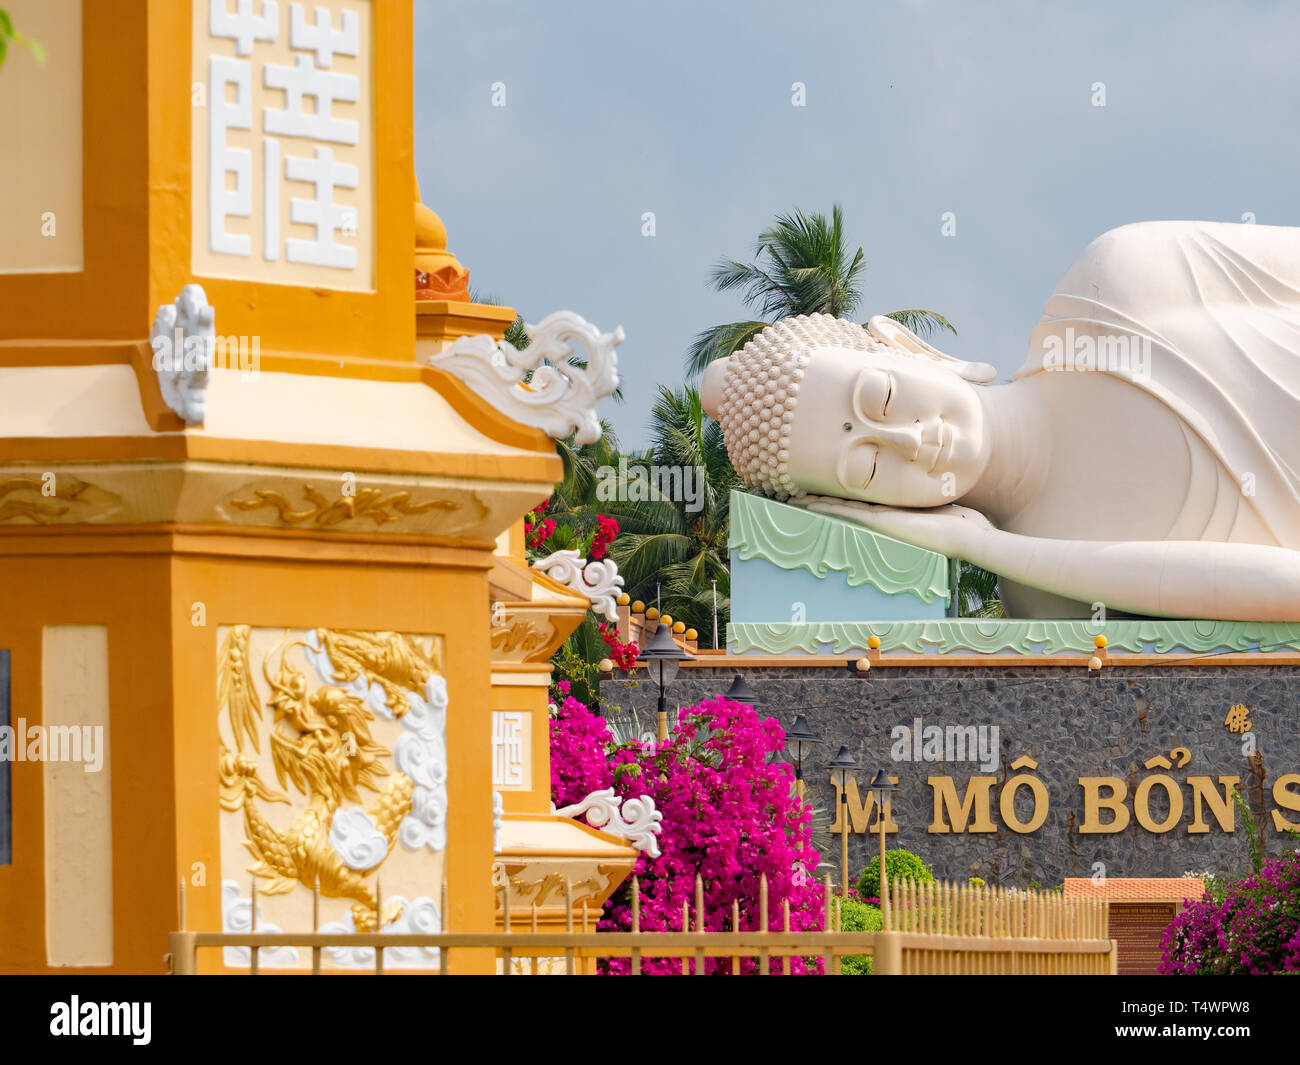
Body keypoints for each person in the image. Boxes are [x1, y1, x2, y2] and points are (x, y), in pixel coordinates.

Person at [700, 221, 1300, 621]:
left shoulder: (1117, 287)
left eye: (881, 398)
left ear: (910, 348)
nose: (911, 439)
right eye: (870, 466)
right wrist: (983, 547)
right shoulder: (1047, 598)